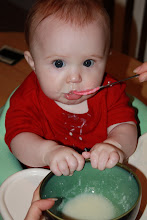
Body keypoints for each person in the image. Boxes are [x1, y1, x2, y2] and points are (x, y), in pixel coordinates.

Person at [5, 0, 137, 175]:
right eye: (58, 63)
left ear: (106, 59)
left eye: (88, 62)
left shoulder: (110, 91)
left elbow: (126, 127)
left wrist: (115, 145)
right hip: (44, 178)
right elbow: (17, 140)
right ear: (33, 63)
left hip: (100, 176)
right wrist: (47, 152)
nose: (74, 78)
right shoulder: (28, 98)